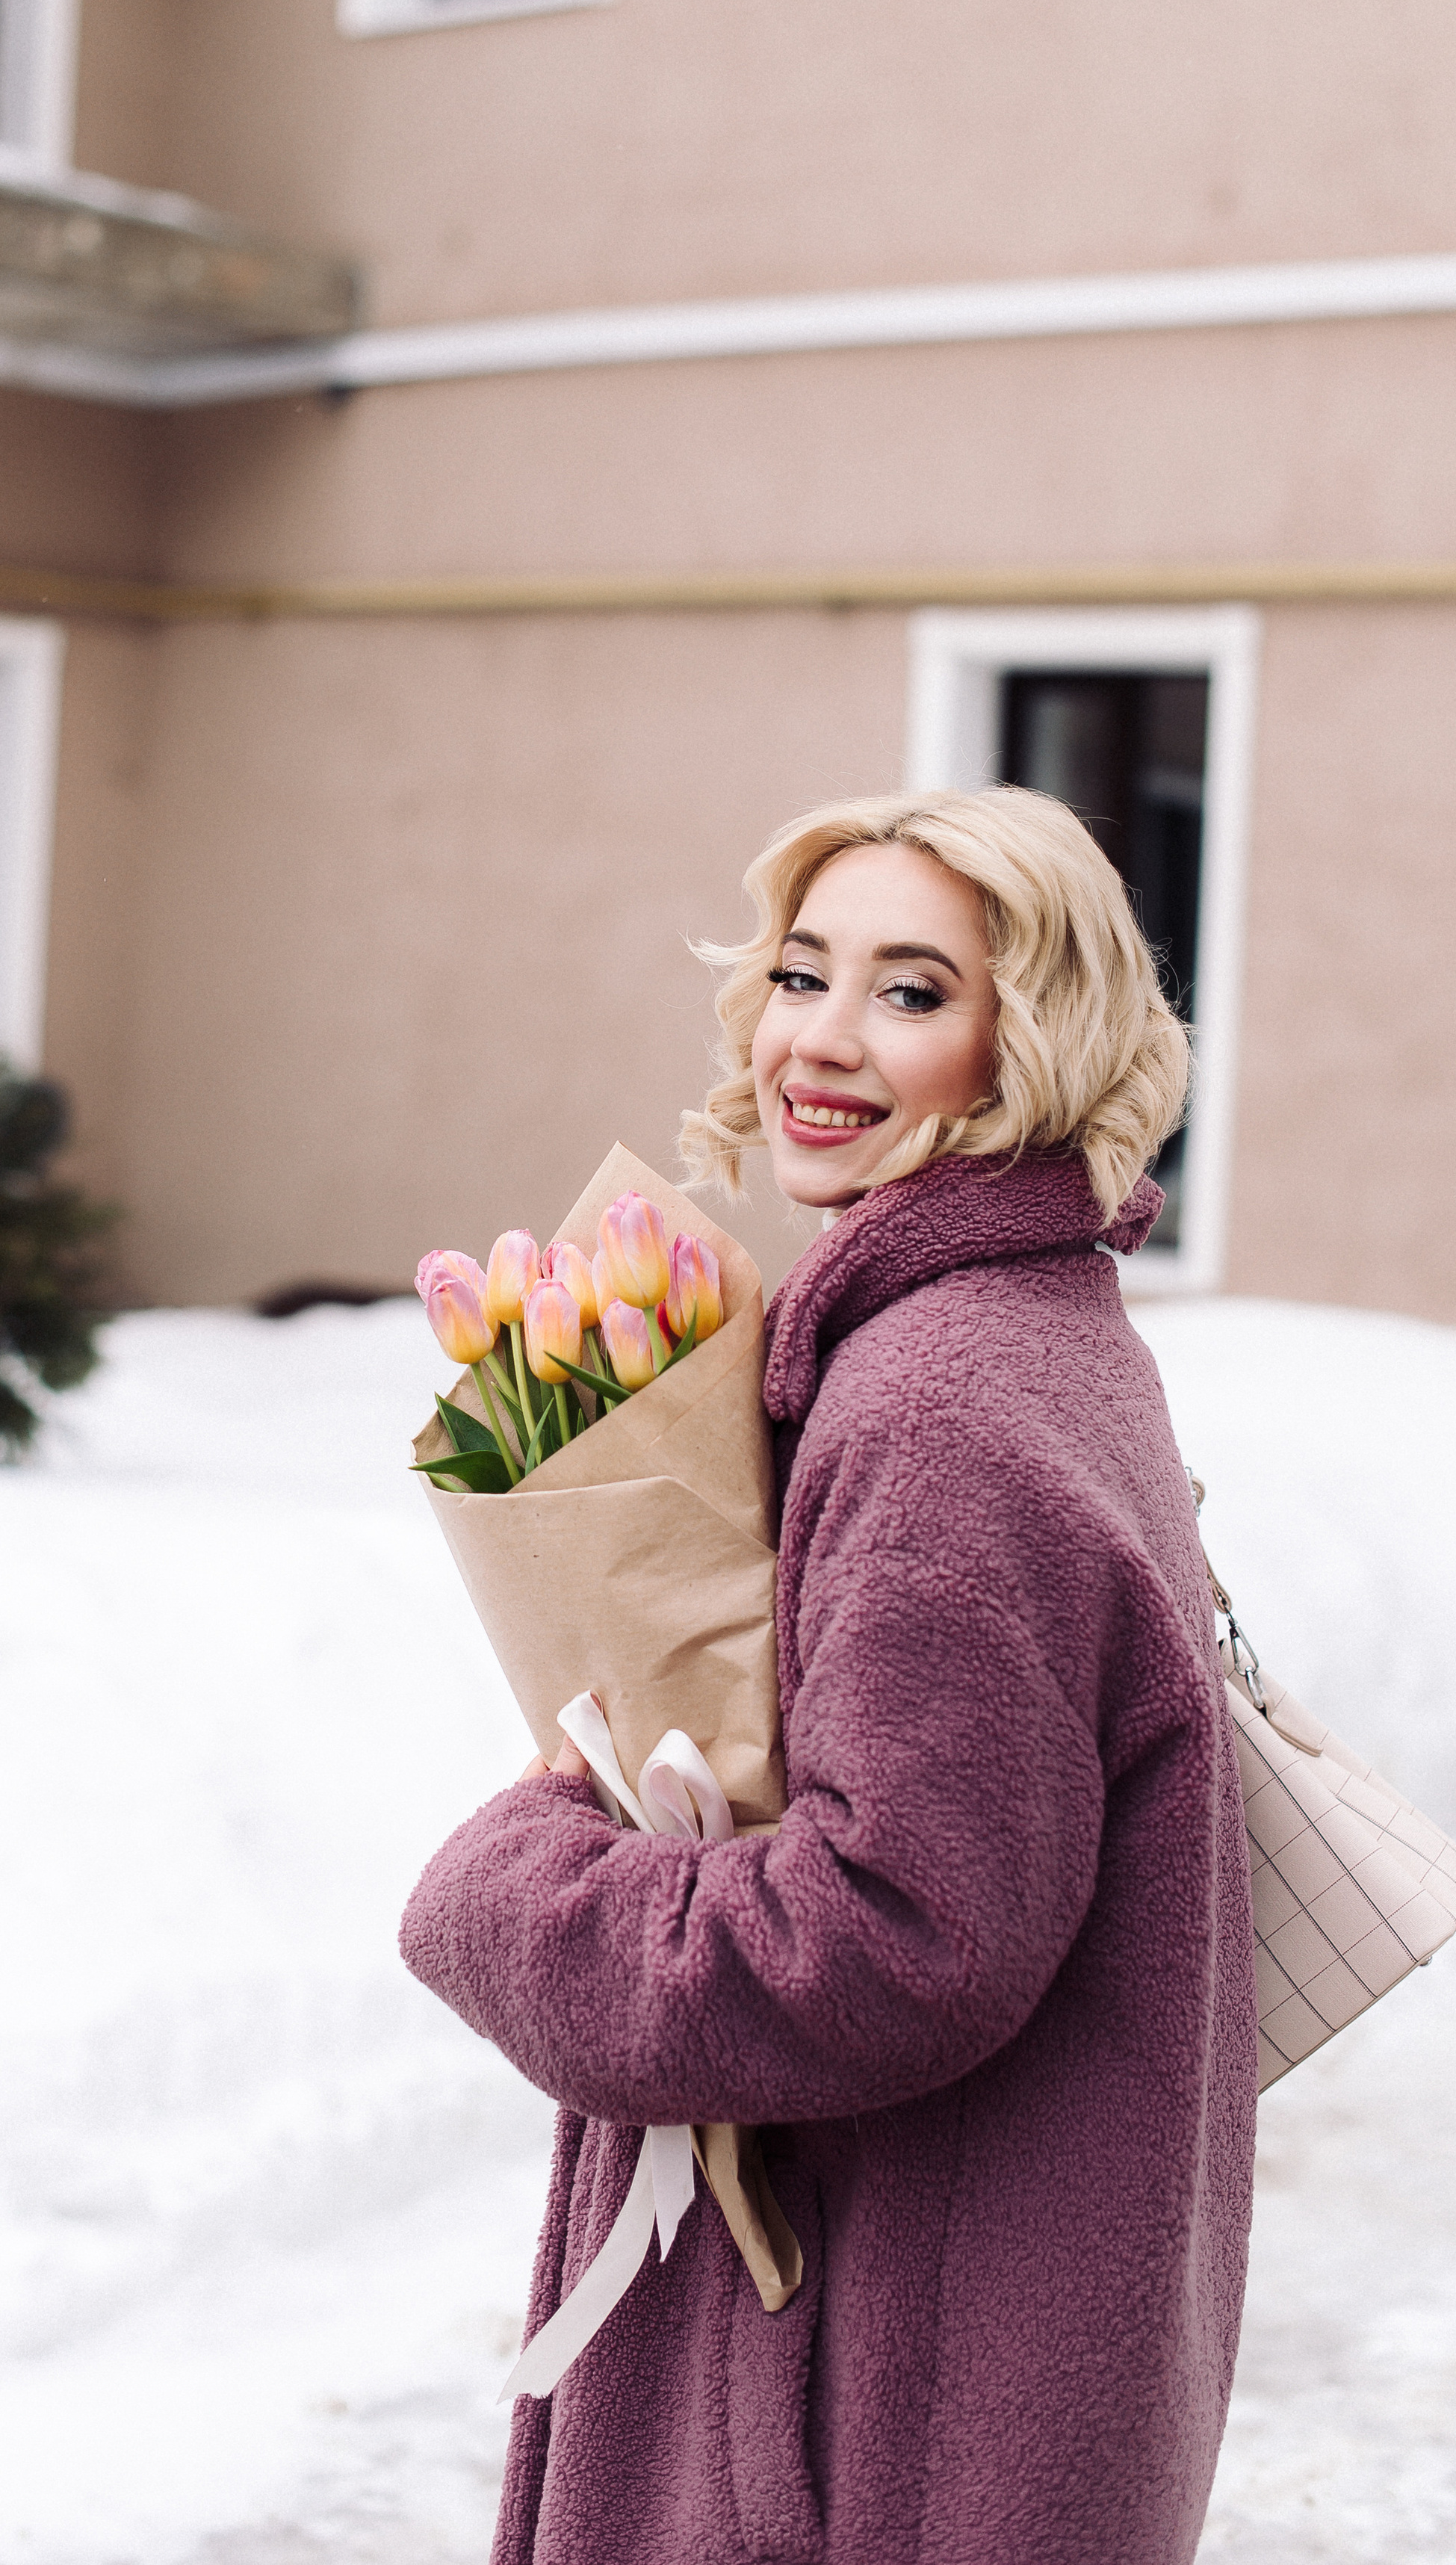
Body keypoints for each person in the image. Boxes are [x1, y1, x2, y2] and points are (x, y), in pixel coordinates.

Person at [401, 787, 1258, 2565]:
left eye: (910, 991)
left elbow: (891, 1935)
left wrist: (520, 1889)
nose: (820, 1038)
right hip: (945, 2342)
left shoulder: (941, 1405)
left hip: (872, 2404)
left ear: (1029, 1041)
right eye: (803, 973)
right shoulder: (1011, 1333)